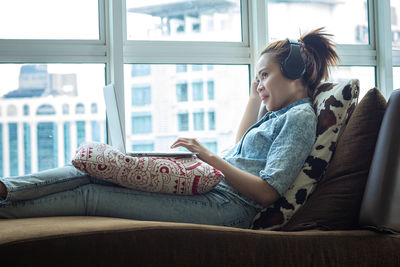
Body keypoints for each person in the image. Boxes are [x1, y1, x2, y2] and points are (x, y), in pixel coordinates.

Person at [0, 28, 338, 228]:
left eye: (264, 75)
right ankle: (6, 189)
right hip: (212, 190)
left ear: (293, 72)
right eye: (257, 77)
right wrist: (256, 96)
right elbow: (241, 151)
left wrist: (206, 156)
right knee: (96, 171)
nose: (260, 83)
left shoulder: (299, 118)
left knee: (91, 195)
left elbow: (265, 193)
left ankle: (6, 208)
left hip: (227, 208)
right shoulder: (279, 113)